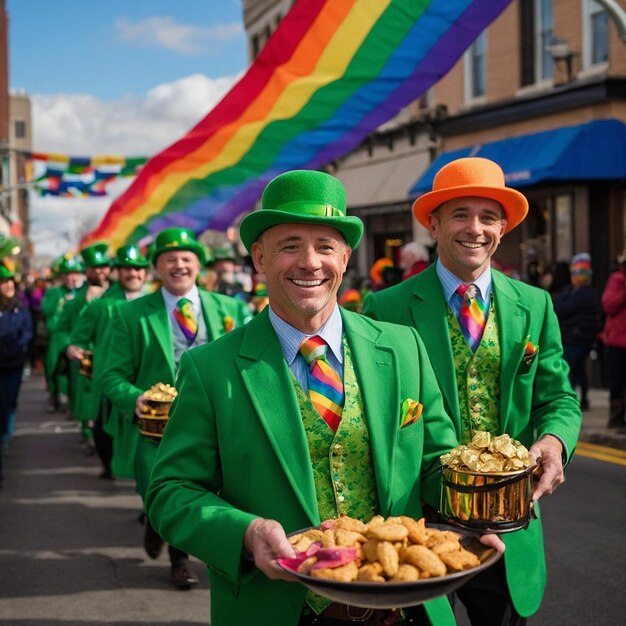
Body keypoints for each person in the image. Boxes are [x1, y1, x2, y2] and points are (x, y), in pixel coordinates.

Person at [146, 170, 503, 626]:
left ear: (346, 256)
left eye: (326, 246)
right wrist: (246, 532)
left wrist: (476, 514)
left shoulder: (402, 348)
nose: (310, 262)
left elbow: (435, 460)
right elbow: (170, 492)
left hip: (402, 607)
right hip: (279, 609)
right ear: (259, 256)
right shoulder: (211, 368)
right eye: (290, 245)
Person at [362, 157, 582, 626]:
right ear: (434, 223)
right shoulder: (386, 307)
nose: (474, 228)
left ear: (503, 227)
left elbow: (558, 397)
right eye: (460, 214)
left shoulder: (535, 304)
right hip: (416, 517)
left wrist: (555, 440)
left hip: (506, 519)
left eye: (488, 217)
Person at [101, 227, 252, 590]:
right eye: (170, 259)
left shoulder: (230, 308)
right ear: (157, 268)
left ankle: (173, 538)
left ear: (199, 265)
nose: (179, 265)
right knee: (164, 488)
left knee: (214, 490)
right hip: (157, 429)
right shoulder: (129, 314)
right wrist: (136, 398)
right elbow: (111, 375)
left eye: (186, 258)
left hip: (216, 420)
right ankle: (176, 556)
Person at [66, 244, 150, 479]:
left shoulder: (158, 301)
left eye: (137, 269)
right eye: (126, 269)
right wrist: (74, 349)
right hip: (111, 380)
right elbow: (79, 337)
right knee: (105, 429)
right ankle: (110, 466)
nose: (133, 274)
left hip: (145, 380)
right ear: (118, 272)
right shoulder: (101, 305)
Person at [552, 253, 600, 411]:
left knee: (569, 368)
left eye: (580, 272)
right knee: (578, 370)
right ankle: (581, 399)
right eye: (574, 272)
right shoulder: (570, 291)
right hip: (571, 337)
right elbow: (558, 304)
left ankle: (571, 399)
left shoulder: (586, 294)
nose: (576, 276)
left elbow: (564, 308)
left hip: (579, 338)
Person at [0, 258, 33, 485]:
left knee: (9, 401)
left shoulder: (20, 306)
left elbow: (27, 332)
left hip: (14, 363)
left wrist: (18, 348)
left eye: (10, 282)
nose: (8, 286)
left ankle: (6, 435)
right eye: (3, 283)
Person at [41, 254, 84, 413]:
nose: (71, 278)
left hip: (77, 337)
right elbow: (47, 312)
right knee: (53, 367)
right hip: (58, 337)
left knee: (75, 372)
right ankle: (55, 395)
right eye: (68, 274)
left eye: (75, 274)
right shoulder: (54, 292)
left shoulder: (84, 292)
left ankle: (72, 403)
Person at [601, 251, 626, 428]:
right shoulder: (618, 279)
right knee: (617, 382)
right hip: (619, 342)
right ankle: (616, 420)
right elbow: (608, 305)